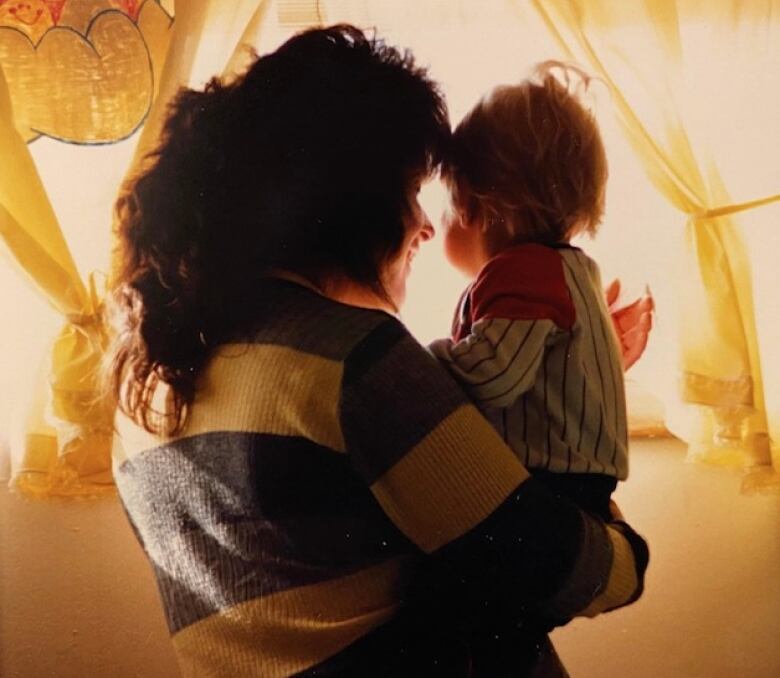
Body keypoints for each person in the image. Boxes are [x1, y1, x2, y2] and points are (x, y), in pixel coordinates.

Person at [107, 26, 648, 677]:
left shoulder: (144, 384)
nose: (425, 223)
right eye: (415, 189)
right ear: (352, 198)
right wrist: (624, 542)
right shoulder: (356, 364)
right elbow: (567, 569)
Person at [430, 62, 653, 522]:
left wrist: (415, 362)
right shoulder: (570, 269)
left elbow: (493, 374)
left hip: (549, 482)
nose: (435, 227)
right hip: (577, 480)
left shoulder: (521, 270)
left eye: (445, 208)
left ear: (474, 205)